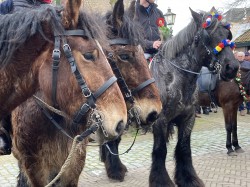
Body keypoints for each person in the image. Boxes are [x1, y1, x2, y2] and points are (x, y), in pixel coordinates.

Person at [236, 51, 250, 116]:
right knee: (239, 96)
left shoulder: (248, 63)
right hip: (237, 82)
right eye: (239, 56)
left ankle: (248, 109)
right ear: (237, 56)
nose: (240, 57)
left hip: (247, 82)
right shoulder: (234, 63)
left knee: (247, 95)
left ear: (244, 57)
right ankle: (241, 109)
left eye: (241, 56)